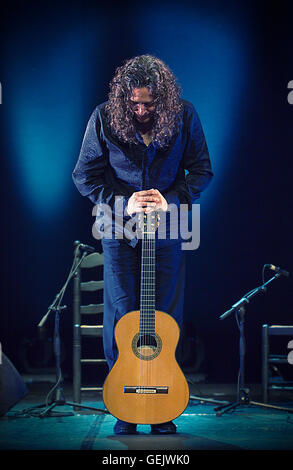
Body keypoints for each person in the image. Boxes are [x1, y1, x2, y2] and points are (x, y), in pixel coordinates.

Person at [72, 54, 213, 435]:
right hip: (118, 228)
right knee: (121, 314)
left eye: (148, 103)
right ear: (123, 98)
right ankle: (126, 405)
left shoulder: (184, 114)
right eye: (133, 103)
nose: (140, 109)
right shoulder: (105, 115)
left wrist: (172, 199)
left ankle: (162, 404)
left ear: (163, 99)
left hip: (167, 227)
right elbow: (84, 176)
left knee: (165, 317)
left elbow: (202, 169)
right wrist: (124, 203)